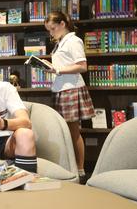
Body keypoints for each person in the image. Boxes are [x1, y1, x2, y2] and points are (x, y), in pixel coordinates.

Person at [44, 11, 94, 182]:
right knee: (65, 132)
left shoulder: (74, 41)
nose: (51, 33)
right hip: (61, 88)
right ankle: (71, 166)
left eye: (52, 29)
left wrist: (57, 69)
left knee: (73, 132)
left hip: (71, 89)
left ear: (62, 24)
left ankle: (80, 169)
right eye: (49, 30)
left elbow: (82, 66)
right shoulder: (60, 42)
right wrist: (52, 67)